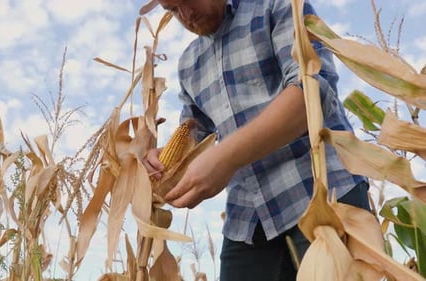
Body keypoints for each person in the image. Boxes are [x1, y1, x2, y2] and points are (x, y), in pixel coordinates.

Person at [140, 0, 370, 280]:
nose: (186, 15)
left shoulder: (277, 6)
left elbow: (310, 94)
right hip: (247, 220)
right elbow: (195, 138)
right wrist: (164, 161)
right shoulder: (189, 65)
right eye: (173, 10)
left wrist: (225, 158)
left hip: (320, 193)